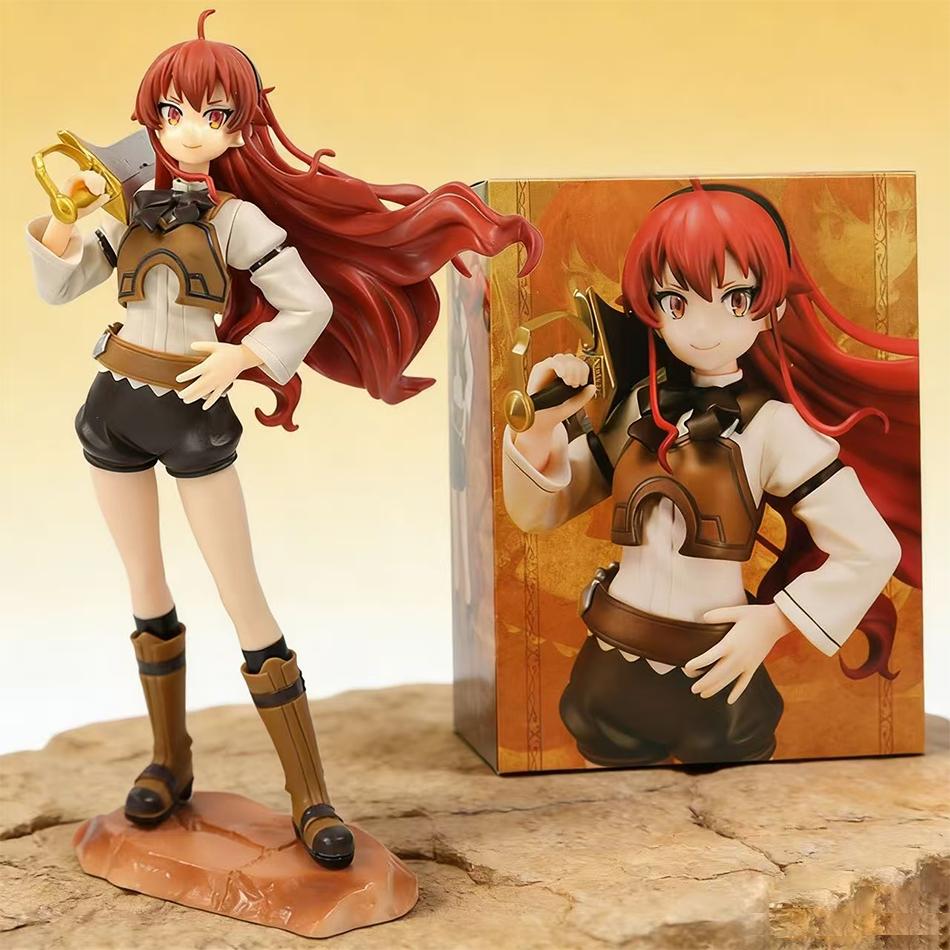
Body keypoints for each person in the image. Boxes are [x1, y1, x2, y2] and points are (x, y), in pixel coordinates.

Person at [26, 9, 540, 869]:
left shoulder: (236, 221)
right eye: (174, 113)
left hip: (191, 413)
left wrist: (247, 355)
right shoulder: (125, 208)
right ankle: (169, 760)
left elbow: (310, 303)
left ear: (239, 129)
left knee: (245, 600)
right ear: (151, 119)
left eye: (216, 114)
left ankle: (310, 796)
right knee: (145, 589)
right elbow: (61, 285)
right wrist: (62, 218)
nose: (192, 130)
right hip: (114, 401)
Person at [502, 181, 919, 766]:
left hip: (718, 671)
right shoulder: (639, 406)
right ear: (651, 310)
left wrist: (776, 621)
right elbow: (542, 509)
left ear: (770, 307)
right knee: (612, 802)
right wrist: (539, 427)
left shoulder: (774, 426)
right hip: (611, 663)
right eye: (676, 301)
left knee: (732, 795)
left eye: (735, 298)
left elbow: (871, 548)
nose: (703, 328)